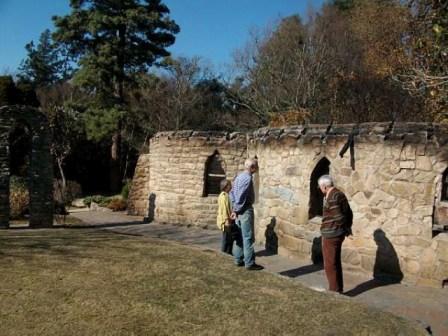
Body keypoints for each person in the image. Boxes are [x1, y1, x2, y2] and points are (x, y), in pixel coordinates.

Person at [318, 174, 353, 293]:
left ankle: (334, 291)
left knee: (330, 264)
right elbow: (349, 213)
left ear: (324, 186)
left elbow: (338, 217)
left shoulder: (332, 196)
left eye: (320, 187)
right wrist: (346, 228)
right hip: (338, 233)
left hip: (331, 234)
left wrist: (342, 227)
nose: (320, 189)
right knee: (335, 262)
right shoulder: (339, 193)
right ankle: (339, 289)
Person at [230, 158, 264, 271]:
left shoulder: (239, 177)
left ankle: (238, 259)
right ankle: (249, 263)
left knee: (240, 236)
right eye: (256, 166)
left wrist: (234, 208)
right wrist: (236, 210)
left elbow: (232, 193)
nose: (257, 168)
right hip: (244, 210)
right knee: (247, 237)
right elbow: (240, 197)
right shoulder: (247, 178)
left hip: (239, 210)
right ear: (252, 167)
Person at [217, 179, 235, 254]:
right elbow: (224, 209)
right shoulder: (223, 196)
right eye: (230, 185)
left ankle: (228, 252)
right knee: (226, 238)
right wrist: (227, 220)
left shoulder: (226, 195)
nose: (231, 186)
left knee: (229, 238)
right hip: (225, 221)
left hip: (228, 220)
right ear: (226, 186)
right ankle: (224, 253)